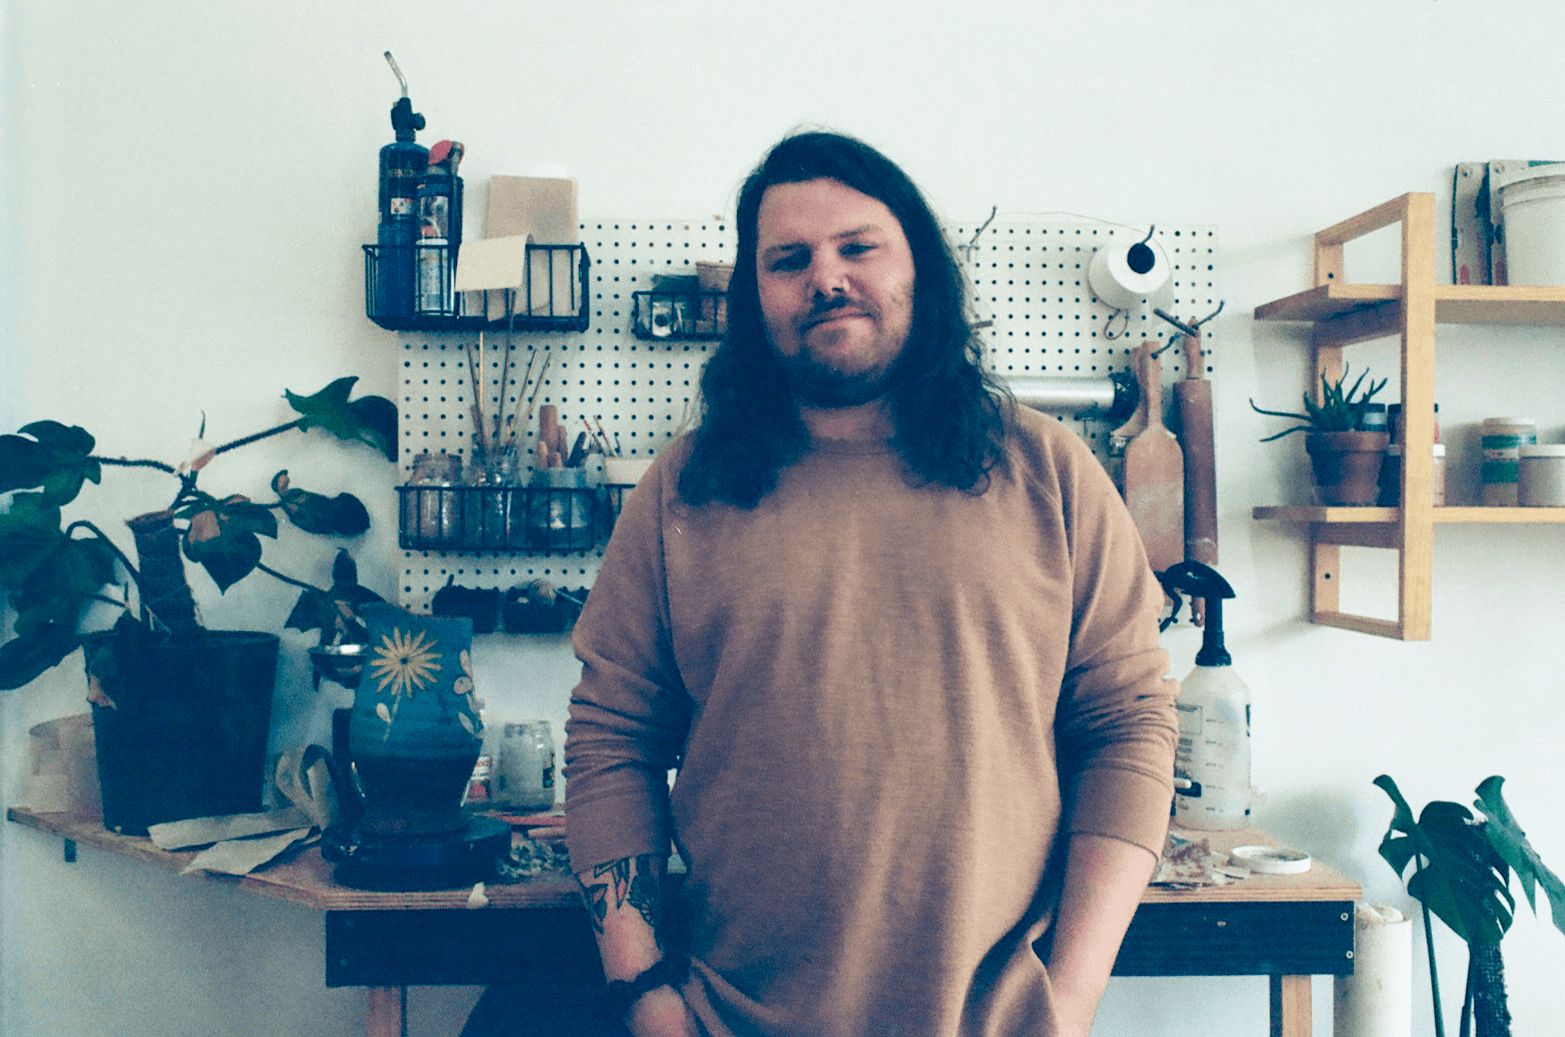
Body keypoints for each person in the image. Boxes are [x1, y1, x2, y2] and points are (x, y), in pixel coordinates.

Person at [562, 131, 1179, 1037]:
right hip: (731, 1018)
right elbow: (610, 736)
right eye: (788, 260)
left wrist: (1071, 994)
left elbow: (1127, 723)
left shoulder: (1048, 470)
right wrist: (646, 994)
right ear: (753, 298)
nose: (825, 277)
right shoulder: (684, 487)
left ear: (917, 266)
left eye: (858, 246)